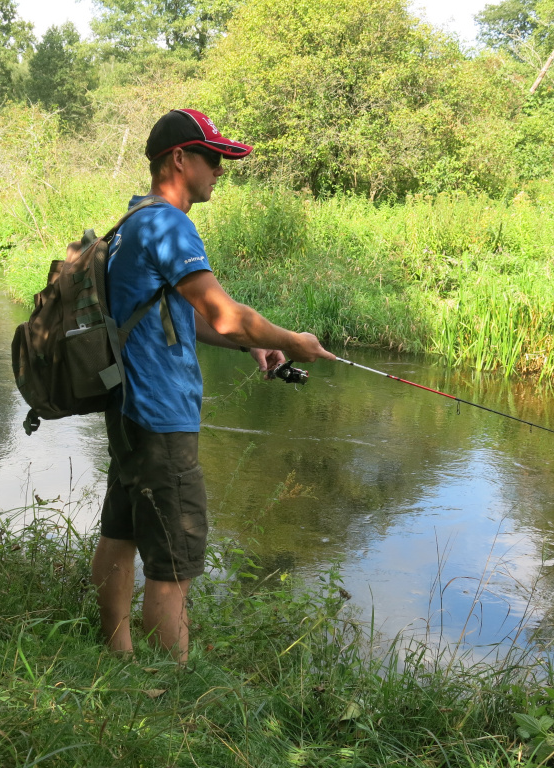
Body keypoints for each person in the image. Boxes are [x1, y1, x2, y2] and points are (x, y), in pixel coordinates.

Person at [90, 109, 336, 663]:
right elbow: (225, 313)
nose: (221, 169)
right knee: (172, 565)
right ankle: (170, 698)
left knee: (121, 532)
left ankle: (117, 657)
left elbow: (181, 316)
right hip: (161, 417)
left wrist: (250, 343)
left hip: (128, 410)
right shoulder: (170, 224)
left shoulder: (133, 223)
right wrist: (292, 341)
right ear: (179, 159)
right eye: (214, 157)